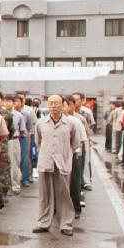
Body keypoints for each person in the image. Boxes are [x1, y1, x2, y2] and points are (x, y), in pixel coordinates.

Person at [33, 95, 79, 236]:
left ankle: (65, 224)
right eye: (51, 103)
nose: (53, 106)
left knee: (63, 194)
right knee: (45, 194)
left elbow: (75, 143)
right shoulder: (41, 123)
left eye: (57, 103)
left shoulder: (70, 124)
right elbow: (38, 142)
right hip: (45, 161)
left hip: (62, 162)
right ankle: (43, 223)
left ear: (62, 105)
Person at [4, 95, 23, 195]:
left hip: (14, 140)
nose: (7, 103)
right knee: (2, 164)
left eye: (10, 101)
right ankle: (4, 186)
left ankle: (15, 185)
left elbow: (22, 131)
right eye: (6, 101)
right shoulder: (0, 114)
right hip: (2, 141)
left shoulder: (19, 115)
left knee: (15, 163)